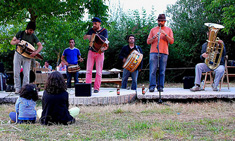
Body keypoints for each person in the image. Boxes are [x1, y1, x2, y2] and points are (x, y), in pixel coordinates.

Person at [10, 21, 43, 94]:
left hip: (28, 56)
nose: (31, 32)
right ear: (27, 29)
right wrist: (16, 42)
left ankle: (25, 89)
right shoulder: (20, 33)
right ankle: (17, 88)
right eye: (30, 30)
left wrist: (35, 52)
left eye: (33, 30)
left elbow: (40, 46)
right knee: (16, 72)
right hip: (18, 54)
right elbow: (12, 42)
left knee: (26, 73)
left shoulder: (33, 36)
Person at [147, 14, 174, 92]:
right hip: (153, 52)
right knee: (152, 70)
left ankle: (160, 86)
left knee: (162, 71)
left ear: (164, 21)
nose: (160, 22)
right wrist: (154, 37)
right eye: (159, 21)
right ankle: (152, 86)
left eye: (162, 21)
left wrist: (165, 34)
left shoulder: (169, 30)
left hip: (164, 52)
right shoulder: (153, 30)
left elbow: (171, 41)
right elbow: (148, 41)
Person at [83, 17, 108, 93]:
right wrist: (89, 37)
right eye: (93, 23)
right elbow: (84, 37)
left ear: (99, 23)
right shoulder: (91, 30)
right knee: (88, 70)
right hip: (91, 51)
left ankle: (96, 88)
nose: (94, 25)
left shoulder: (104, 31)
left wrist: (105, 47)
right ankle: (87, 87)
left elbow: (106, 41)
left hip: (100, 52)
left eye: (95, 23)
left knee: (99, 71)